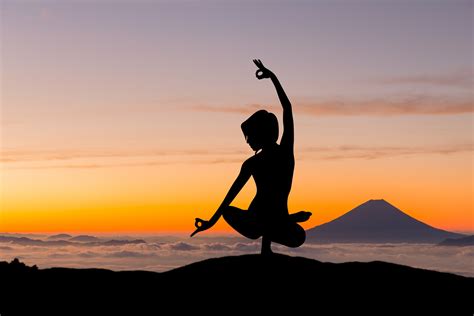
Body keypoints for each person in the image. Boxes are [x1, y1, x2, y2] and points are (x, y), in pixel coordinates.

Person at [191, 59, 311, 255]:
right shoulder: (276, 156)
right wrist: (210, 221)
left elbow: (287, 109)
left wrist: (272, 77)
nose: (247, 142)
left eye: (249, 137)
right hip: (259, 219)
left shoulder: (276, 155)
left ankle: (279, 228)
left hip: (269, 219)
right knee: (231, 212)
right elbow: (230, 196)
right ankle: (283, 224)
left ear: (260, 133)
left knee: (298, 236)